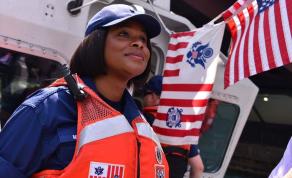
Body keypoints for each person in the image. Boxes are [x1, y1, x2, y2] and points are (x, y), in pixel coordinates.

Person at [0, 4, 169, 178]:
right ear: (96, 43)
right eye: (123, 34)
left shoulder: (140, 123)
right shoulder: (47, 109)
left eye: (143, 39)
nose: (139, 43)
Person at [142, 75, 204, 178]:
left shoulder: (142, 119)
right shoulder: (184, 126)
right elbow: (198, 167)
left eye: (144, 94)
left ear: (152, 96)